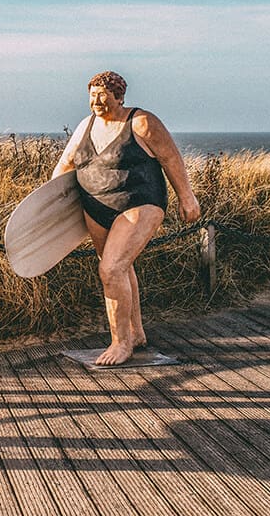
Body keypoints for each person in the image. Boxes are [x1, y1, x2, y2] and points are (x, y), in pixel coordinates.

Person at [52, 71, 200, 366]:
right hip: (96, 207)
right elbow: (65, 165)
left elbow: (171, 158)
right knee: (120, 268)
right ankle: (135, 333)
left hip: (139, 203)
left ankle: (121, 344)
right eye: (92, 94)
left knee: (111, 269)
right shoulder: (85, 126)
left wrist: (187, 196)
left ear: (119, 97)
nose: (96, 100)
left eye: (102, 95)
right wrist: (49, 208)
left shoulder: (142, 122)